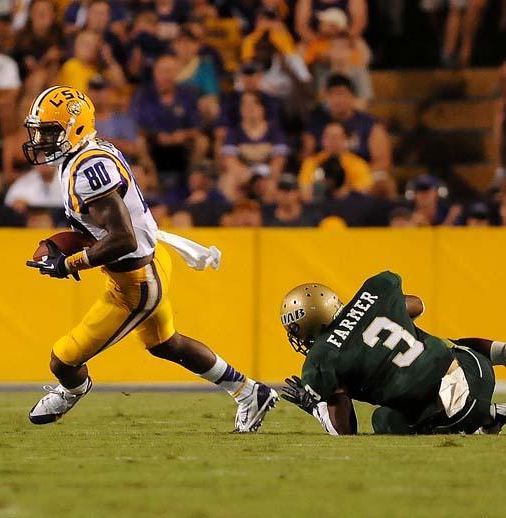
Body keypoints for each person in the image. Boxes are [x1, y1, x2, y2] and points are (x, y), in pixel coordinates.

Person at [23, 85, 277, 431]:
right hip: (146, 264)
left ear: (75, 128)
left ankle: (73, 388)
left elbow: (123, 239)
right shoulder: (86, 155)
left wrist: (70, 262)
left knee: (63, 359)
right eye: (39, 132)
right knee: (165, 344)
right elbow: (107, 229)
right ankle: (249, 392)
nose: (41, 140)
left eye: (50, 132)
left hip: (136, 282)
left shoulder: (88, 170)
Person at [278, 271, 506, 435]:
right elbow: (417, 305)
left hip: (453, 413)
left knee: (383, 422)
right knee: (445, 343)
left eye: (298, 329)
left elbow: (345, 433)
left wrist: (314, 406)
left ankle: (488, 415)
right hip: (478, 371)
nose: (298, 337)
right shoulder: (375, 290)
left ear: (312, 323)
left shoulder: (322, 359)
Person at [304, 74, 391, 174]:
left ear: (352, 96)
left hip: (363, 178)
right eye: (332, 94)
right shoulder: (316, 122)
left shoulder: (370, 124)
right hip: (323, 178)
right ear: (326, 97)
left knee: (382, 182)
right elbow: (307, 156)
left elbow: (383, 162)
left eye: (342, 94)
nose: (338, 100)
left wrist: (356, 178)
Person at [298, 121, 372, 202]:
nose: (332, 141)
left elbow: (364, 190)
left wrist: (344, 191)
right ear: (322, 140)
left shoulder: (357, 163)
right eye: (327, 137)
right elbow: (304, 191)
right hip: (319, 206)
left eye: (336, 137)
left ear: (346, 140)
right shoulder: (311, 162)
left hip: (348, 206)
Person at [58, 30, 126, 94]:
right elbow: (82, 98)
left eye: (93, 44)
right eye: (85, 44)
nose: (89, 48)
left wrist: (109, 59)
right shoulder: (72, 65)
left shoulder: (101, 68)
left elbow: (122, 87)